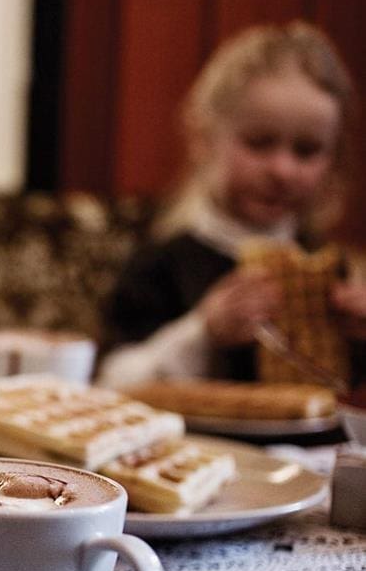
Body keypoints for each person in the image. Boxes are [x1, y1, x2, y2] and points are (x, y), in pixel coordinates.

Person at [99, 20, 363, 388]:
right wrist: (202, 334)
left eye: (307, 151)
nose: (283, 170)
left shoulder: (333, 268)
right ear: (205, 140)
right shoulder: (163, 263)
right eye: (259, 143)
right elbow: (111, 380)